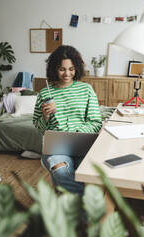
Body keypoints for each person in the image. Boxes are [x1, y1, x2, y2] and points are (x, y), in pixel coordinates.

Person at [33, 45, 102, 195]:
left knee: (89, 174)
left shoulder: (86, 89)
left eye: (71, 69)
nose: (67, 73)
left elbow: (96, 122)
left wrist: (76, 133)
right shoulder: (45, 93)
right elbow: (38, 126)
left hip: (83, 145)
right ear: (54, 69)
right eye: (62, 69)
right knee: (61, 172)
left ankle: (68, 202)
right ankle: (89, 203)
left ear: (76, 68)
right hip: (56, 149)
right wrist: (45, 117)